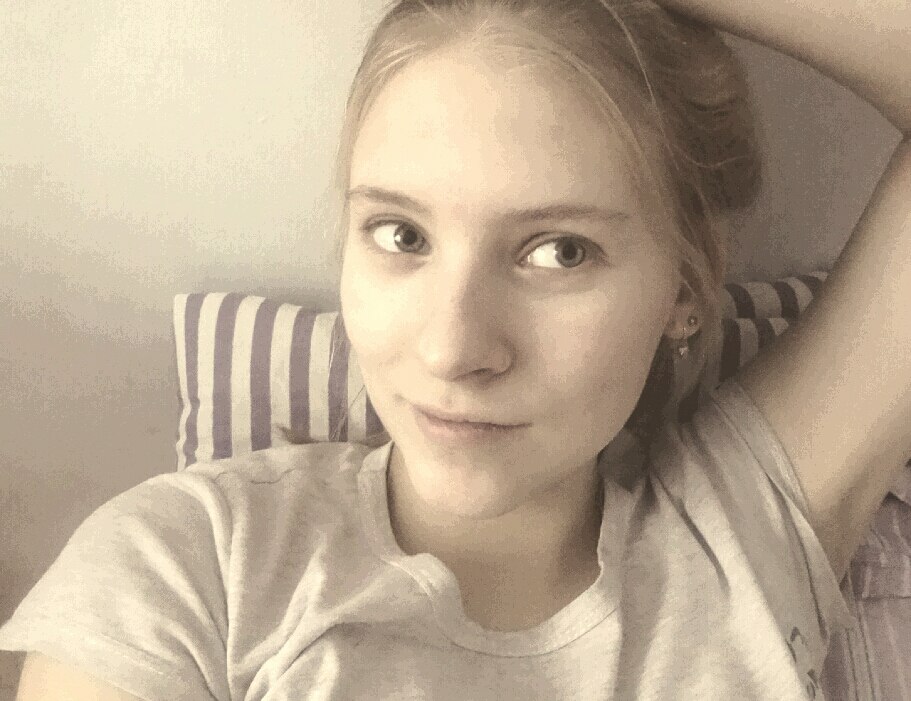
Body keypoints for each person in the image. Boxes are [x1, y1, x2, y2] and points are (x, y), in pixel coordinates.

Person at [2, 0, 910, 699]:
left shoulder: (739, 532)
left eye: (558, 251)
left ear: (684, 286)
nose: (452, 349)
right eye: (400, 235)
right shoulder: (185, 572)